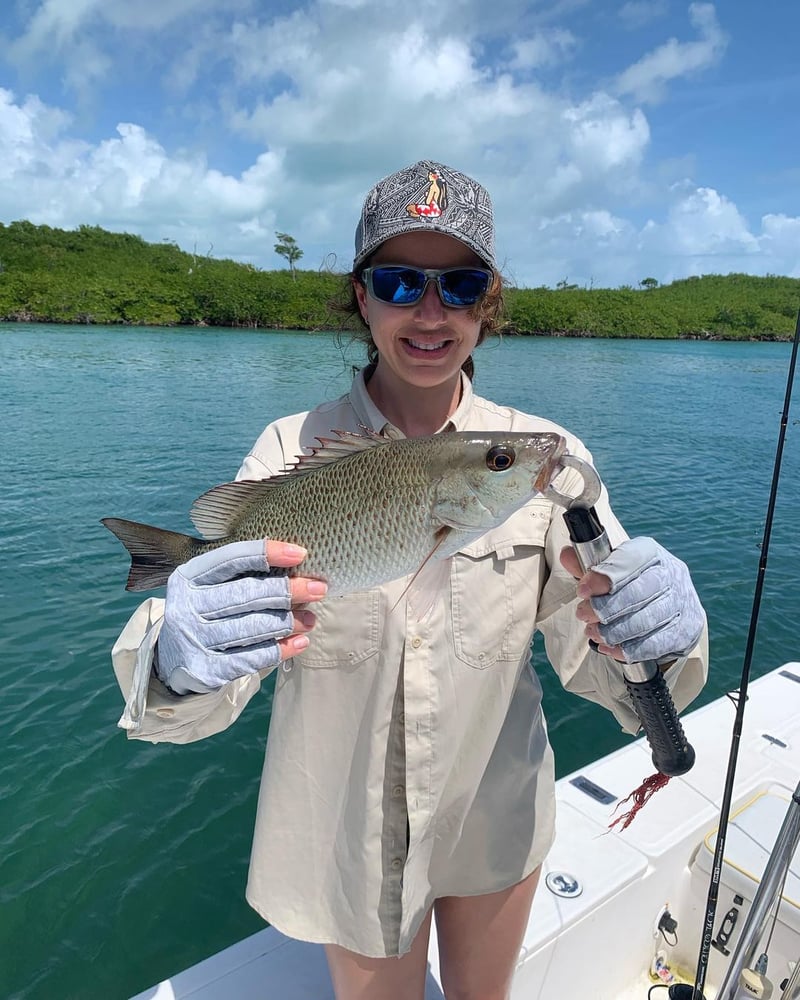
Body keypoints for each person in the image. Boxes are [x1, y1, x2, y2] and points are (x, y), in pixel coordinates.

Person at [111, 160, 708, 1000]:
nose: (430, 313)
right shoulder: (287, 452)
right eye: (398, 281)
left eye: (459, 285)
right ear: (362, 296)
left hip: (492, 813)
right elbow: (207, 697)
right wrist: (176, 660)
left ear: (487, 302)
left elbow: (611, 670)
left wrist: (663, 632)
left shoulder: (542, 454)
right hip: (345, 835)